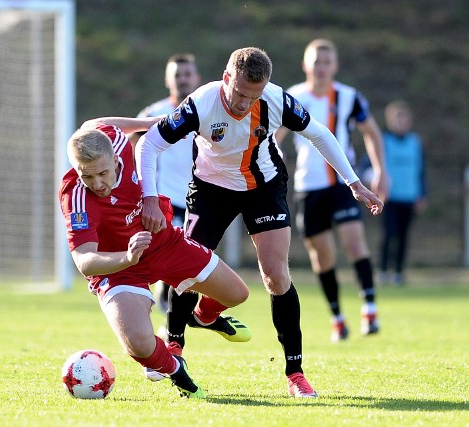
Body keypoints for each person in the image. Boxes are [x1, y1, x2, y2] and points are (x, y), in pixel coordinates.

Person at [136, 47, 383, 398]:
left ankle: (295, 373)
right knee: (189, 265)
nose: (242, 104)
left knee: (276, 274)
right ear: (226, 77)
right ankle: (175, 346)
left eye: (252, 97)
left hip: (263, 187)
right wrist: (149, 196)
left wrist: (354, 182)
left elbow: (320, 134)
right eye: (238, 94)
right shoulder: (200, 103)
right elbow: (148, 145)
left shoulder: (274, 99)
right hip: (211, 189)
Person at [58, 116, 251, 399]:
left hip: (163, 243)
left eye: (102, 173)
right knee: (138, 344)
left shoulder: (117, 140)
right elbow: (84, 260)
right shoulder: (75, 195)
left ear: (114, 156)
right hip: (119, 269)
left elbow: (97, 122)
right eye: (86, 175)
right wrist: (127, 257)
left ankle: (203, 318)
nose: (97, 183)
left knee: (237, 294)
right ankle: (176, 370)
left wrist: (154, 122)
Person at [275, 39, 388, 343]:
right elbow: (275, 136)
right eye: (316, 61)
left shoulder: (350, 97)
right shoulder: (294, 97)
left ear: (334, 66)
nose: (321, 67)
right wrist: (276, 155)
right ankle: (337, 317)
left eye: (327, 61)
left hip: (344, 184)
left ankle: (370, 308)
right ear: (305, 65)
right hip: (308, 188)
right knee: (322, 257)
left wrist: (380, 170)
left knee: (354, 242)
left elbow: (371, 133)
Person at [132, 53, 201, 314]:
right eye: (177, 75)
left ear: (196, 78)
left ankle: (171, 302)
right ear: (167, 80)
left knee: (190, 261)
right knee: (172, 255)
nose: (182, 80)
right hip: (164, 201)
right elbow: (133, 149)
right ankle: (166, 307)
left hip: (200, 200)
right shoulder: (152, 113)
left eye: (187, 74)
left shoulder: (207, 110)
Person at [378, 100, 427, 286]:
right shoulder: (383, 141)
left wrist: (422, 194)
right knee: (389, 235)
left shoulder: (415, 143)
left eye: (403, 119)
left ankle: (398, 272)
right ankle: (383, 271)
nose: (400, 123)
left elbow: (421, 171)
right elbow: (370, 166)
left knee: (403, 237)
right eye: (396, 119)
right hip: (389, 197)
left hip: (409, 196)